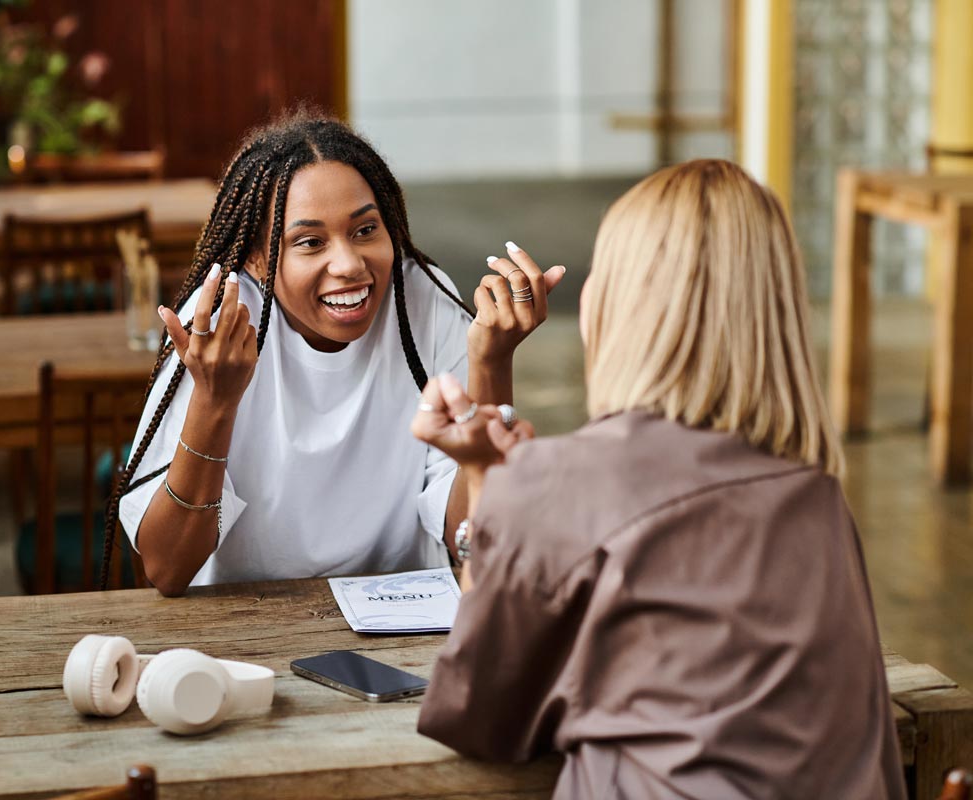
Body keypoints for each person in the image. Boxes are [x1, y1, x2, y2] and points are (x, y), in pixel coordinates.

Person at [411, 160, 907, 799]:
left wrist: (489, 487)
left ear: (612, 304)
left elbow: (479, 718)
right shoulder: (818, 496)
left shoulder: (561, 481)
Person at [105, 111, 564, 596]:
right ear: (257, 260)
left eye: (365, 230)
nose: (349, 265)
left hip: (404, 628)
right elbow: (167, 567)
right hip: (244, 635)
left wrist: (491, 364)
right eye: (309, 242)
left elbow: (472, 539)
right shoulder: (222, 326)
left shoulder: (421, 302)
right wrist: (214, 402)